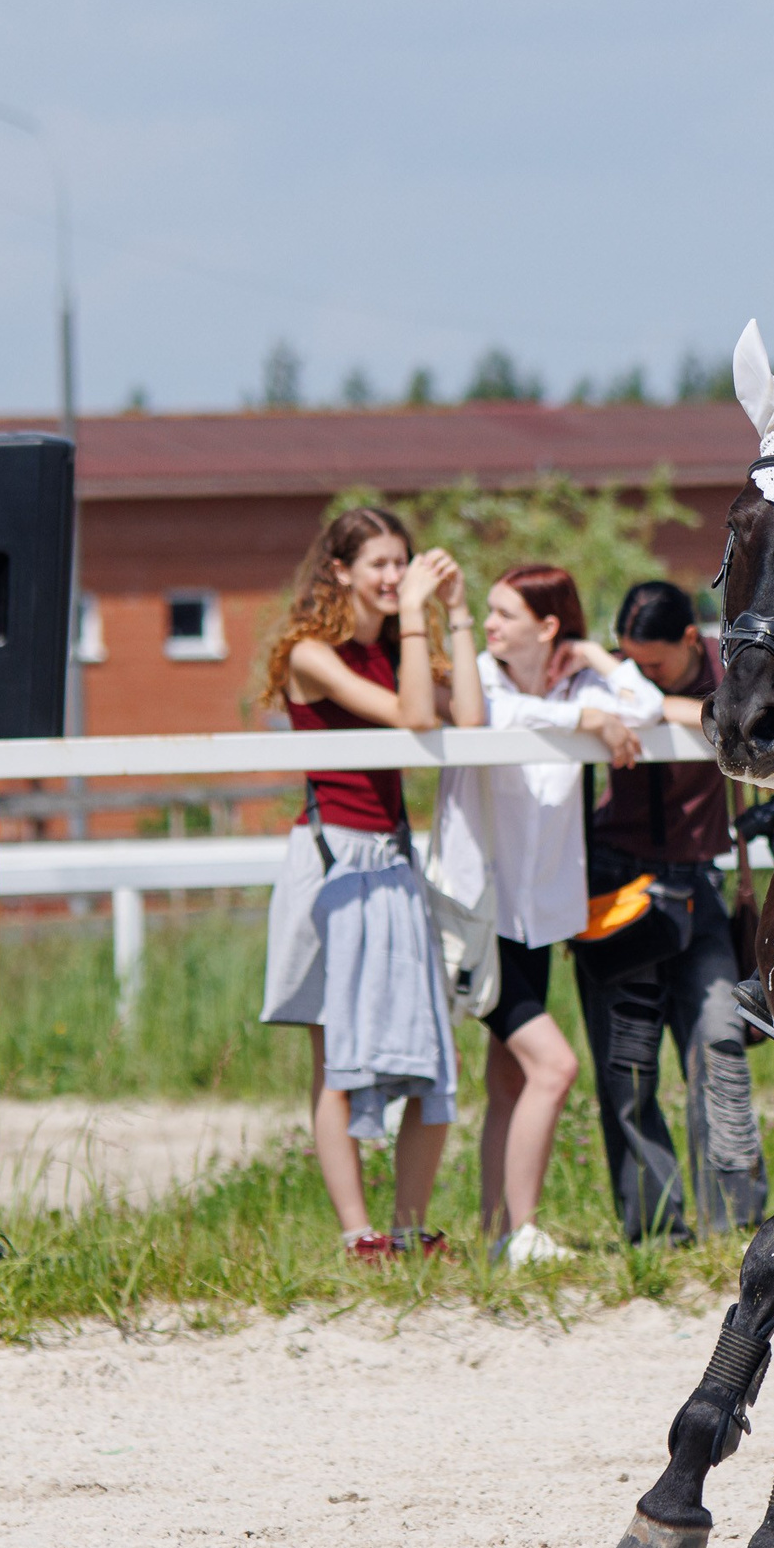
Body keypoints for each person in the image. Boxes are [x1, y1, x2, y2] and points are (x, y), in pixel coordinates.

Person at [258, 506, 481, 1263]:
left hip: (389, 856)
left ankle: (410, 1229)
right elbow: (415, 719)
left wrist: (457, 617)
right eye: (379, 564)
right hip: (333, 859)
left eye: (403, 562)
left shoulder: (398, 646)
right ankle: (360, 1235)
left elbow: (471, 722)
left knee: (430, 1053)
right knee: (338, 1056)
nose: (393, 577)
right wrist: (416, 616)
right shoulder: (313, 655)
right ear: (340, 571)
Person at [444, 563, 663, 1265]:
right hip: (479, 912)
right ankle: (524, 1231)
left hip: (537, 919)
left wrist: (599, 659)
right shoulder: (481, 674)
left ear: (546, 626)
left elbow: (649, 708)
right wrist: (585, 718)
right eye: (487, 610)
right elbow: (485, 716)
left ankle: (493, 1233)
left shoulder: (578, 680)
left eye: (504, 613)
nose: (490, 624)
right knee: (554, 1067)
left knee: (511, 1078)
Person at [577, 580, 768, 1242]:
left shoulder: (735, 668)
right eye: (626, 659)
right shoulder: (609, 678)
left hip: (699, 885)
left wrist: (653, 701)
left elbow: (744, 719)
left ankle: (736, 1216)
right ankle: (656, 1228)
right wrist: (616, 692)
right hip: (619, 884)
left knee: (720, 1036)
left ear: (692, 640)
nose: (636, 673)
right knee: (628, 1063)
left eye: (651, 663)